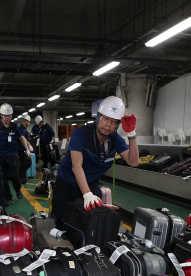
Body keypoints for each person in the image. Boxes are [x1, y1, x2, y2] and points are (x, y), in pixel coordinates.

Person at [51, 96, 139, 227]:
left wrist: (131, 134)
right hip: (68, 183)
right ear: (98, 117)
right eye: (106, 118)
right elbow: (77, 167)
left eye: (114, 121)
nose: (108, 125)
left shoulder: (116, 139)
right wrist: (87, 194)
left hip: (91, 184)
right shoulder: (80, 134)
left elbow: (133, 162)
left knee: (91, 222)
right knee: (60, 221)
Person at [0, 103, 32, 205]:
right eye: (5, 116)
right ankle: (8, 197)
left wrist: (27, 148)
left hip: (11, 157)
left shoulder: (14, 127)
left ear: (11, 116)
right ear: (1, 115)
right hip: (0, 157)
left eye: (9, 116)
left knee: (15, 177)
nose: (7, 118)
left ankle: (17, 189)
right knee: (3, 179)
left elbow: (21, 138)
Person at [18, 114, 33, 183]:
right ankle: (21, 178)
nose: (29, 124)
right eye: (29, 122)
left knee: (28, 163)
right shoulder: (21, 129)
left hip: (24, 149)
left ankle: (20, 175)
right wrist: (28, 146)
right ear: (26, 121)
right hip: (21, 149)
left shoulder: (24, 129)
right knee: (23, 164)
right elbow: (23, 138)